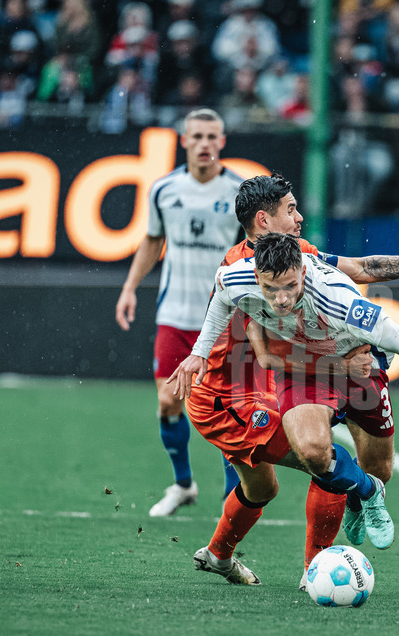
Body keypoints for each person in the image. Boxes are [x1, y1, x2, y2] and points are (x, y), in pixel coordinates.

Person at [179, 174, 399, 586]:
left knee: (272, 487)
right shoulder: (240, 270)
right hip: (234, 395)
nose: (300, 216)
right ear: (264, 222)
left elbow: (359, 269)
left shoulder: (300, 255)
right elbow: (265, 353)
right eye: (290, 209)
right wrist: (198, 354)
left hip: (298, 373)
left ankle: (218, 555)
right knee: (317, 455)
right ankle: (317, 567)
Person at [115, 108, 244, 517]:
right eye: (197, 136)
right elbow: (153, 240)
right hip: (174, 313)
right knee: (169, 401)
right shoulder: (164, 189)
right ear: (184, 141)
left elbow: (254, 252)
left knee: (229, 412)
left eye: (212, 136)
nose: (205, 143)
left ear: (222, 142)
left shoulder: (241, 192)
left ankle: (230, 509)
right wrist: (130, 287)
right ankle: (183, 484)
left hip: (225, 320)